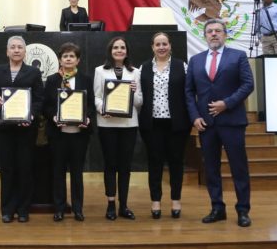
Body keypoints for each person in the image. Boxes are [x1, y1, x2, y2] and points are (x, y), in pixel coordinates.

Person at [185, 19, 254, 228]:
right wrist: (195, 117)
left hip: (232, 121)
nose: (213, 34)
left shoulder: (238, 56)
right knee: (211, 169)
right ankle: (217, 208)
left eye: (217, 31)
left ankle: (243, 210)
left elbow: (248, 84)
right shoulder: (196, 60)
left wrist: (227, 103)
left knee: (238, 168)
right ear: (204, 36)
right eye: (209, 31)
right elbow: (189, 92)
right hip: (206, 124)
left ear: (225, 35)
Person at [0, 36, 44, 223]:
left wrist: (31, 115)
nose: (16, 50)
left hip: (25, 129)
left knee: (24, 168)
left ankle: (23, 209)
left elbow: (38, 100)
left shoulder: (34, 73)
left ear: (25, 51)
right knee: (7, 169)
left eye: (20, 47)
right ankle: (7, 209)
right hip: (3, 129)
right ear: (7, 51)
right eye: (12, 47)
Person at [138, 32, 192, 219]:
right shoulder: (143, 68)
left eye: (164, 44)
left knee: (176, 163)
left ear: (170, 46)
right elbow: (138, 96)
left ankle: (176, 200)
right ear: (152, 47)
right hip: (152, 125)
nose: (161, 47)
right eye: (157, 44)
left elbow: (188, 94)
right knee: (155, 163)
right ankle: (156, 201)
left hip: (177, 124)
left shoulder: (181, 66)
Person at [43, 42, 94, 222]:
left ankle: (78, 208)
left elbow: (90, 104)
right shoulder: (52, 80)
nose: (68, 59)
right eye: (65, 56)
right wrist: (53, 117)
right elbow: (46, 106)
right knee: (58, 172)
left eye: (72, 56)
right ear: (60, 60)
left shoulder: (86, 80)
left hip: (79, 134)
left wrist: (87, 117)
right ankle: (60, 208)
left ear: (78, 60)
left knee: (77, 173)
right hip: (58, 133)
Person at [93, 37, 143, 220]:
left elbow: (139, 102)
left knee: (125, 166)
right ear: (110, 51)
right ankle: (111, 204)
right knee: (110, 165)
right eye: (116, 47)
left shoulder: (136, 72)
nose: (119, 50)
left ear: (127, 51)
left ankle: (124, 205)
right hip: (107, 124)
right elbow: (97, 97)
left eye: (122, 47)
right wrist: (102, 108)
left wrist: (133, 92)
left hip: (128, 125)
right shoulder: (100, 71)